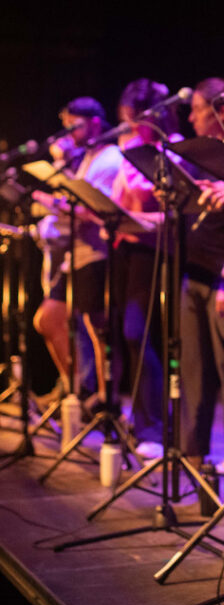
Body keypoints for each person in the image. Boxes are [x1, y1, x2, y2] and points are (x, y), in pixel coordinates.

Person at [177, 78, 224, 473]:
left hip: (222, 275)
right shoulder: (194, 156)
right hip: (192, 272)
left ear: (221, 111)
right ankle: (192, 446)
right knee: (193, 363)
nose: (190, 117)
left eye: (198, 109)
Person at [31, 98, 121, 403]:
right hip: (73, 254)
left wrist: (53, 201)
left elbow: (96, 208)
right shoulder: (85, 156)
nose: (69, 131)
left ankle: (103, 397)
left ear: (94, 121)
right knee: (48, 318)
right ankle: (73, 389)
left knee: (98, 329)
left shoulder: (110, 156)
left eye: (74, 124)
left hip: (94, 253)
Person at [109, 78, 180, 457]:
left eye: (134, 119)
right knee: (129, 335)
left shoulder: (170, 151)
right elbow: (122, 200)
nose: (130, 126)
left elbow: (139, 195)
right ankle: (141, 422)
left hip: (156, 252)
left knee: (143, 334)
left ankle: (156, 427)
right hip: (128, 250)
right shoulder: (132, 149)